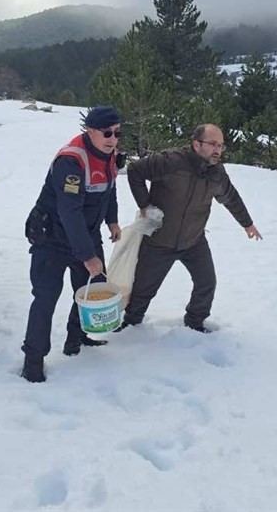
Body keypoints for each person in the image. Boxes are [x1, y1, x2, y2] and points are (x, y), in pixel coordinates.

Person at [116, 124, 261, 333]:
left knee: (206, 283)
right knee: (143, 288)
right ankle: (132, 324)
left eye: (220, 145)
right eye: (212, 144)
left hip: (193, 241)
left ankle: (195, 322)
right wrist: (145, 205)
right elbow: (135, 170)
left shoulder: (217, 174)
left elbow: (231, 198)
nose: (217, 150)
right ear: (196, 144)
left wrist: (247, 224)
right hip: (160, 240)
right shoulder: (171, 161)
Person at [20, 105, 123, 383]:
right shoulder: (71, 161)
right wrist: (88, 256)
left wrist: (112, 221)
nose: (113, 139)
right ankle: (33, 359)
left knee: (89, 289)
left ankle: (76, 338)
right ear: (90, 131)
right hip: (51, 237)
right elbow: (69, 212)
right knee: (46, 296)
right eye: (107, 133)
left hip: (85, 234)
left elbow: (109, 190)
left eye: (117, 133)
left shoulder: (108, 154)